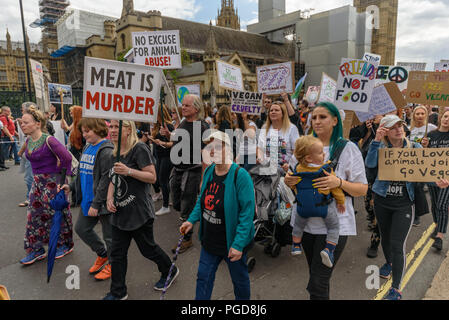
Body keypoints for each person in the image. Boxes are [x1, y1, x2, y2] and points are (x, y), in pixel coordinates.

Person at [284, 102, 368, 300]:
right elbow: (292, 175)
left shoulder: (348, 149)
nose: (317, 121)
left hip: (334, 225)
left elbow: (362, 189)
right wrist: (288, 180)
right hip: (304, 223)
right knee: (317, 279)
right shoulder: (303, 146)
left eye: (322, 117)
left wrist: (337, 182)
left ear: (335, 120)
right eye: (314, 117)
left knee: (318, 282)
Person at [365, 114, 448, 300]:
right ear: (385, 131)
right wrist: (376, 141)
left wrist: (437, 182)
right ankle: (389, 263)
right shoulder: (381, 146)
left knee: (397, 244)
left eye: (400, 125)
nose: (399, 129)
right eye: (393, 127)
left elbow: (425, 170)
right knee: (385, 239)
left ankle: (396, 289)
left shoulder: (414, 147)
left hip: (404, 204)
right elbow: (369, 165)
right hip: (382, 201)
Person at [103, 120, 177, 300]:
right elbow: (114, 178)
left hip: (139, 212)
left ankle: (169, 270)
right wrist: (109, 197)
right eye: (110, 127)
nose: (112, 130)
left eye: (116, 126)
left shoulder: (139, 149)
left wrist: (129, 171)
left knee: (148, 249)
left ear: (128, 129)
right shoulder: (114, 152)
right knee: (117, 253)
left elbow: (152, 177)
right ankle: (118, 292)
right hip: (120, 213)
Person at [180, 130, 255, 300]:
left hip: (232, 243)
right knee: (203, 278)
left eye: (217, 147)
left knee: (240, 282)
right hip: (210, 240)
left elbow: (247, 214)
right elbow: (202, 201)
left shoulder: (240, 176)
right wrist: (191, 220)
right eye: (209, 147)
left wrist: (238, 244)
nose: (211, 151)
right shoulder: (210, 171)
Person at [19, 107, 74, 265]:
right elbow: (23, 154)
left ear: (37, 124)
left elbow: (67, 158)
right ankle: (36, 249)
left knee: (57, 214)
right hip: (37, 184)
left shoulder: (49, 140)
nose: (22, 125)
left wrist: (63, 182)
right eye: (22, 122)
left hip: (52, 182)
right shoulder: (29, 140)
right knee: (34, 215)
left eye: (26, 122)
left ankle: (64, 244)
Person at [63, 118, 114, 280]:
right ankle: (102, 254)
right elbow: (80, 172)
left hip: (102, 203)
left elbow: (106, 181)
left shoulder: (106, 150)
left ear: (98, 129)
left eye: (88, 131)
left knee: (110, 236)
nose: (84, 135)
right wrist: (70, 187)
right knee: (82, 229)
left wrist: (96, 203)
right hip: (87, 200)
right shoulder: (87, 147)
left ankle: (113, 264)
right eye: (83, 131)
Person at [161, 94, 210, 254]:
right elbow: (177, 142)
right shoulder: (182, 123)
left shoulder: (202, 127)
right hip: (178, 169)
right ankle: (194, 215)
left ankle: (186, 239)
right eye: (183, 105)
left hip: (193, 170)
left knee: (186, 204)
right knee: (176, 202)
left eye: (187, 105)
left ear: (196, 108)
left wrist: (204, 178)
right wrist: (168, 137)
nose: (183, 107)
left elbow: (206, 153)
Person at [290, 135, 346, 268]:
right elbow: (335, 189)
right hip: (323, 208)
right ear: (309, 157)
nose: (324, 154)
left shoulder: (297, 169)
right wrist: (341, 201)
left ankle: (296, 245)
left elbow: (294, 186)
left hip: (303, 208)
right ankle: (328, 249)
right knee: (334, 227)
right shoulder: (326, 170)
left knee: (298, 226)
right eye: (321, 152)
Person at [421, 108, 449, 251]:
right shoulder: (431, 135)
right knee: (435, 205)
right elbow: (425, 157)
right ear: (441, 118)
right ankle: (438, 224)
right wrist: (424, 146)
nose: (446, 119)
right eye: (445, 116)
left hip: (447, 178)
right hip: (433, 176)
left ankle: (439, 236)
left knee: (443, 205)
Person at [256, 101, 300, 174]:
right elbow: (260, 148)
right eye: (271, 110)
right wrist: (260, 158)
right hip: (266, 169)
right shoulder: (264, 128)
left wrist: (289, 165)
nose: (273, 112)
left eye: (276, 110)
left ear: (283, 113)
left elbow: (296, 151)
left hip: (285, 171)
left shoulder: (292, 128)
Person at [149, 105, 174, 216]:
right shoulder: (157, 125)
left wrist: (162, 143)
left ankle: (165, 206)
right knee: (159, 179)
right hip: (159, 155)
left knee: (163, 179)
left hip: (167, 156)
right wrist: (152, 139)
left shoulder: (168, 125)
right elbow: (157, 140)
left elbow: (174, 142)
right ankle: (166, 198)